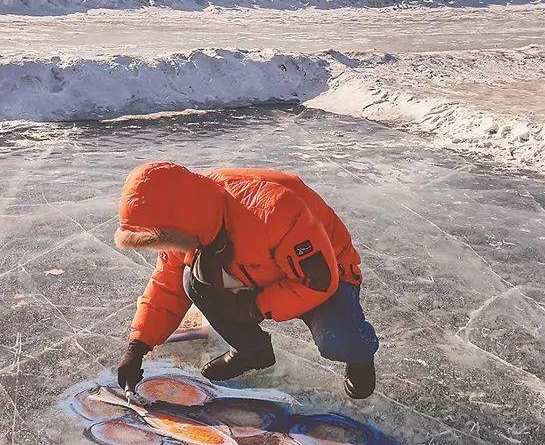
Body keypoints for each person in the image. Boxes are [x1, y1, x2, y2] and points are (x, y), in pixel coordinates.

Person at [114, 162, 379, 401]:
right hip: (255, 266)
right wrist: (138, 346)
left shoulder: (272, 210)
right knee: (192, 281)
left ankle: (360, 356)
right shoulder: (189, 220)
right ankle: (252, 350)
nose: (168, 246)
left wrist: (257, 306)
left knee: (338, 341)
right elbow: (166, 286)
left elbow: (319, 281)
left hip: (325, 269)